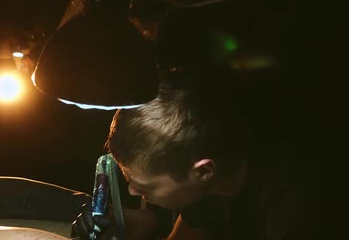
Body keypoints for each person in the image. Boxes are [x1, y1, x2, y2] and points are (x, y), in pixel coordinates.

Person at [71, 76, 322, 240]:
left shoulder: (295, 211)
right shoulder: (209, 186)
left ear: (203, 172)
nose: (133, 192)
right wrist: (139, 227)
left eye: (145, 185)